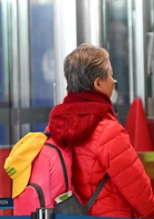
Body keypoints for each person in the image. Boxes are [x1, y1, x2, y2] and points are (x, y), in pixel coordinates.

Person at [47, 44, 154, 218]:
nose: (114, 81)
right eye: (111, 75)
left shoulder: (55, 125)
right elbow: (138, 190)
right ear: (98, 83)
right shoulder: (108, 132)